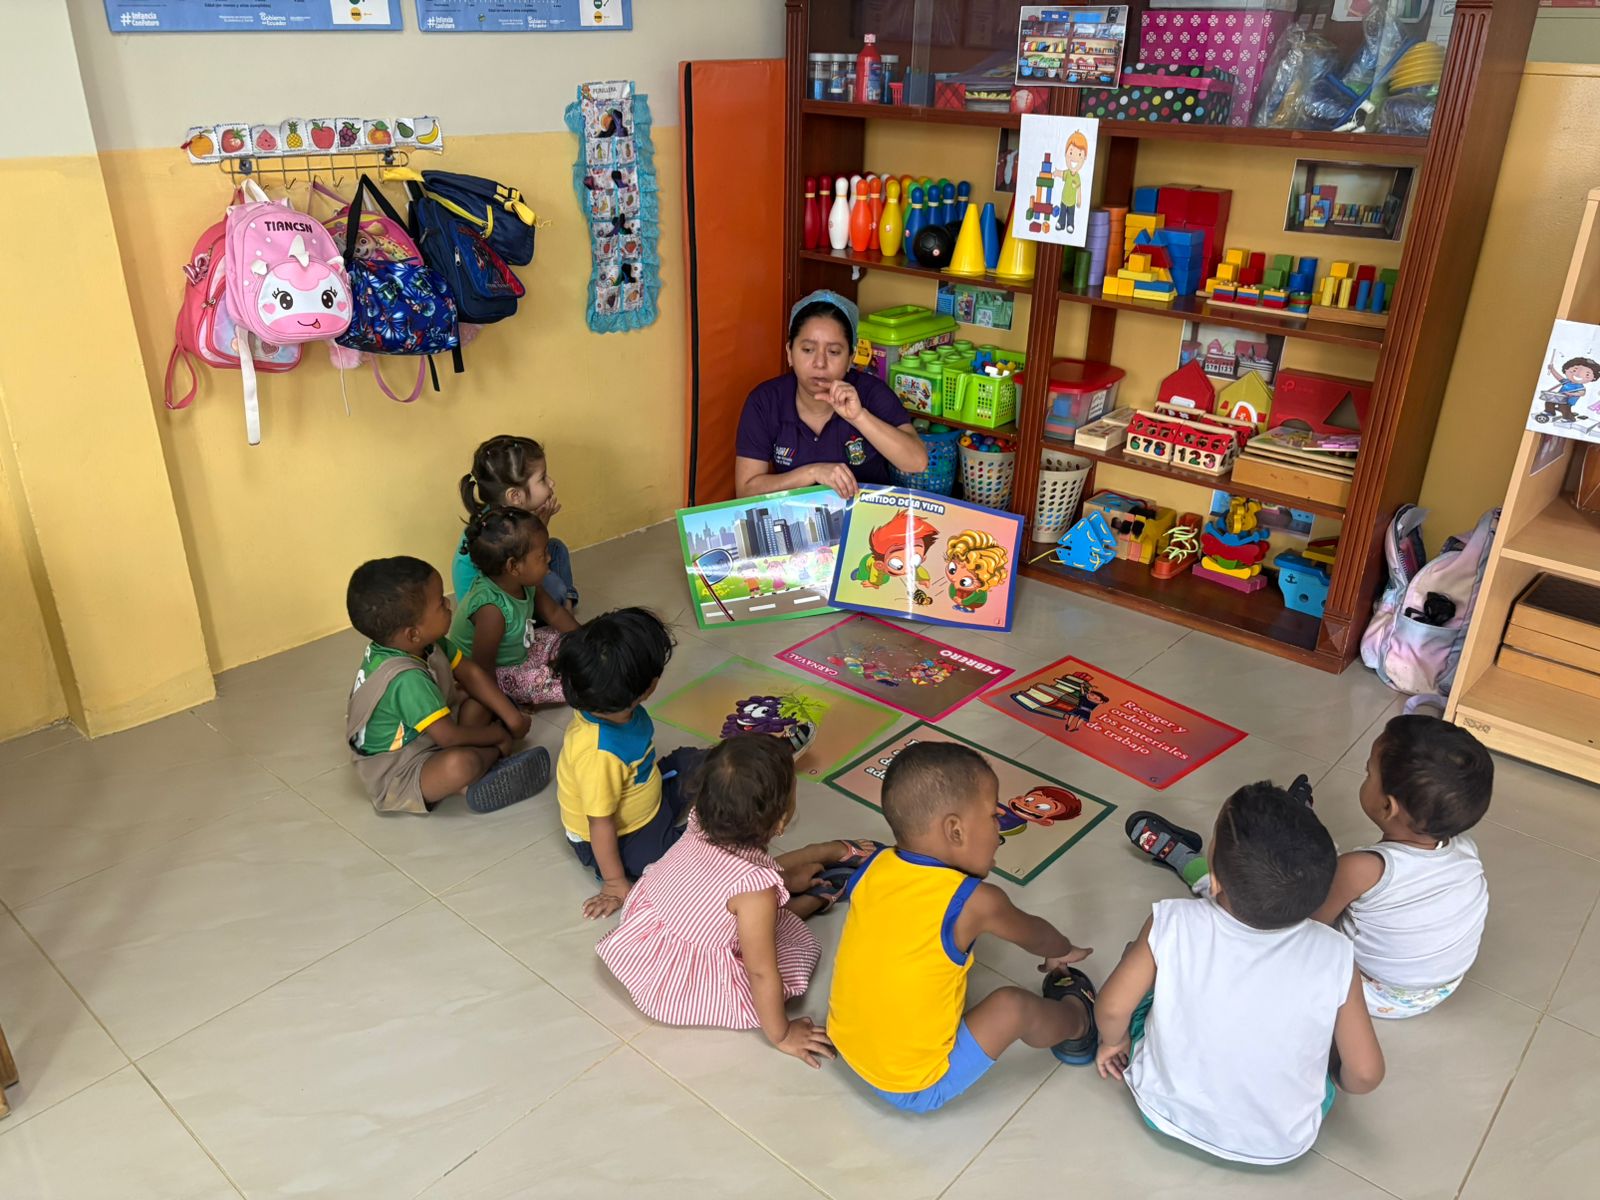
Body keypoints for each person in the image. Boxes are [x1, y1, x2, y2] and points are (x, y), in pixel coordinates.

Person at [1103, 784, 1385, 1166]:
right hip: (1280, 1144)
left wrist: (1113, 1043)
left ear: (1215, 879)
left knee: (1140, 970)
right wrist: (1331, 1075)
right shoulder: (1335, 954)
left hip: (1160, 1110)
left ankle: (1183, 860)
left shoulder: (1172, 920)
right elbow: (1365, 1073)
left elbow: (1112, 1009)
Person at [827, 742, 1098, 1114]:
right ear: (955, 830)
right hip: (916, 1086)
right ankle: (1079, 1024)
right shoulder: (979, 903)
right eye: (992, 816)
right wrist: (1061, 950)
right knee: (1013, 1007)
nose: (998, 829)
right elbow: (1038, 936)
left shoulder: (875, 866)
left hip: (847, 1044)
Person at [596, 736, 879, 1067]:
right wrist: (782, 1034)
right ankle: (816, 898)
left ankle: (817, 857)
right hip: (682, 975)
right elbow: (760, 973)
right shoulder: (754, 892)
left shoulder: (699, 822)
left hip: (648, 938)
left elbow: (725, 878)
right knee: (778, 939)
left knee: (758, 900)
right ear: (780, 821)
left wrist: (784, 880)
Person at [1312, 714, 1493, 1019]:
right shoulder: (1467, 850)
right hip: (1442, 987)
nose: (1365, 776)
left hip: (1373, 991)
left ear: (1388, 806)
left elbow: (1313, 921)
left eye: (1368, 773)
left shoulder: (1362, 870)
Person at [344, 556, 551, 815]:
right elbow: (449, 737)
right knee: (460, 765)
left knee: (479, 699)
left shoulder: (423, 642)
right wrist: (498, 736)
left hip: (428, 734)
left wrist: (512, 717)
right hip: (400, 769)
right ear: (413, 633)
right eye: (440, 603)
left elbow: (471, 673)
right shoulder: (405, 680)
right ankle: (486, 763)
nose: (448, 603)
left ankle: (478, 767)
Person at [552, 608, 704, 919]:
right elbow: (600, 824)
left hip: (647, 793)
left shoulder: (611, 705)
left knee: (694, 762)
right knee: (670, 859)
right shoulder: (599, 755)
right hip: (620, 836)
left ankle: (735, 762)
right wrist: (614, 883)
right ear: (649, 686)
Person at [735, 290, 928, 500]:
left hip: (866, 515)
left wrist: (859, 417)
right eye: (808, 349)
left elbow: (917, 462)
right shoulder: (765, 401)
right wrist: (813, 472)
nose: (820, 363)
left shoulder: (872, 393)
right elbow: (746, 491)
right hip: (797, 515)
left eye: (834, 352)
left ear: (851, 358)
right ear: (790, 352)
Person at [449, 507, 578, 708]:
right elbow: (482, 669)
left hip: (519, 650)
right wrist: (504, 707)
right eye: (542, 555)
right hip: (494, 672)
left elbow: (554, 613)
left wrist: (587, 641)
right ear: (513, 567)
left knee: (560, 636)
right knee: (561, 685)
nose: (549, 558)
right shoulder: (491, 610)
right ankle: (535, 683)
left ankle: (549, 669)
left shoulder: (525, 582)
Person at [454, 435, 578, 610]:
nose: (552, 483)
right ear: (515, 496)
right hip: (493, 606)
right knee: (553, 587)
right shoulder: (503, 529)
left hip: (510, 576)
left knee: (556, 548)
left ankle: (566, 601)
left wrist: (539, 526)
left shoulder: (505, 514)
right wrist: (540, 527)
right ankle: (559, 606)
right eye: (543, 478)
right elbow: (519, 569)